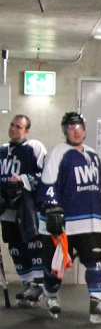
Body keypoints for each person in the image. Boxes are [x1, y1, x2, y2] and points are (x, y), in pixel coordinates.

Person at [38, 111, 101, 323]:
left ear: (84, 130)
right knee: (56, 266)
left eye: (79, 127)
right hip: (65, 223)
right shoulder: (57, 153)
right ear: (64, 131)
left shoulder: (92, 155)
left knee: (97, 262)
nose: (75, 132)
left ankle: (97, 303)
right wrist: (52, 208)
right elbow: (48, 185)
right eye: (70, 128)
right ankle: (50, 296)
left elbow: (94, 187)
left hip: (90, 222)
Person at [0, 113, 47, 305]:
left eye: (18, 126)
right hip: (8, 206)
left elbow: (46, 175)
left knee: (32, 243)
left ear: (27, 130)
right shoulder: (2, 150)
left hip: (27, 207)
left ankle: (38, 285)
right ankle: (27, 284)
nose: (13, 129)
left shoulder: (34, 147)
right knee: (15, 247)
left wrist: (23, 179)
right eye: (12, 125)